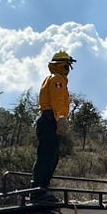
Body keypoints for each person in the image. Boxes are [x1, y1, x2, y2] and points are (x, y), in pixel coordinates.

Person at [31, 50, 74, 190]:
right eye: (67, 66)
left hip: (48, 119)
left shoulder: (51, 78)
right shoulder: (57, 79)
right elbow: (57, 100)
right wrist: (60, 117)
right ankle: (38, 190)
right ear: (63, 65)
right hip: (51, 120)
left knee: (50, 156)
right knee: (47, 156)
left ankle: (42, 189)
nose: (68, 70)